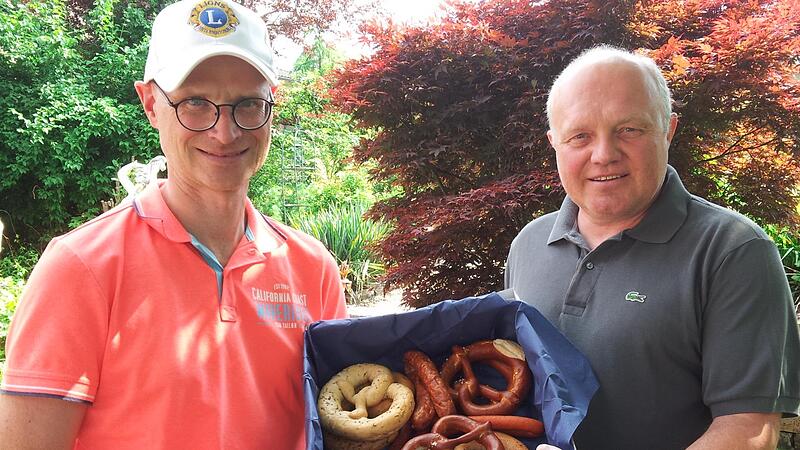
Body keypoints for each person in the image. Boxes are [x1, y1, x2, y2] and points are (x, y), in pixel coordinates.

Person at [0, 1, 347, 448]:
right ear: (150, 103)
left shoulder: (313, 269)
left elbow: (344, 426)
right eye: (196, 103)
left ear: (272, 105)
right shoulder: (82, 268)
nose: (225, 132)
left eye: (248, 103)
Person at [505, 45, 800, 450]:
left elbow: (748, 429)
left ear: (668, 130)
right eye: (580, 136)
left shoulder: (733, 251)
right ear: (555, 142)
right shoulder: (528, 244)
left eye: (629, 129)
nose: (604, 155)